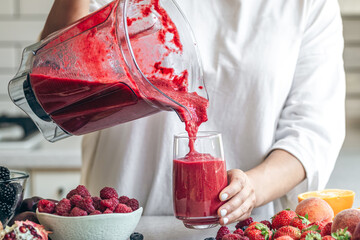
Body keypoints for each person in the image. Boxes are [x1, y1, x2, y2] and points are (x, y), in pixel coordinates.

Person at [38, 0, 345, 225]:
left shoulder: (309, 5)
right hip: (112, 224)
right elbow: (49, 76)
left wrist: (251, 189)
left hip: (240, 228)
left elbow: (311, 131)